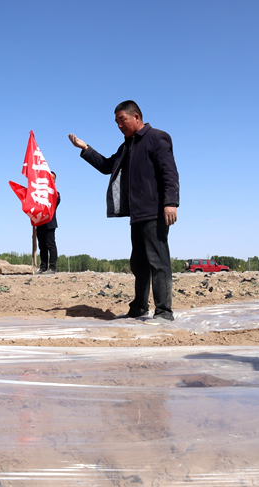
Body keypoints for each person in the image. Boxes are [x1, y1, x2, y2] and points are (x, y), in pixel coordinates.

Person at [69, 100, 179, 323]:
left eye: (122, 120)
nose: (119, 125)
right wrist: (85, 148)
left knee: (159, 262)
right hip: (136, 214)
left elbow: (169, 172)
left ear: (136, 117)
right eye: (116, 122)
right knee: (138, 264)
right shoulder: (126, 147)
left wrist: (171, 202)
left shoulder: (157, 137)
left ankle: (164, 312)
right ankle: (138, 308)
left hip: (154, 212)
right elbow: (107, 166)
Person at [36, 171, 60, 274]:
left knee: (50, 245)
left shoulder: (55, 194)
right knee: (42, 246)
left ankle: (52, 267)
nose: (50, 179)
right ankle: (43, 267)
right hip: (40, 222)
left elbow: (53, 204)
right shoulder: (39, 194)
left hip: (50, 223)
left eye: (52, 178)